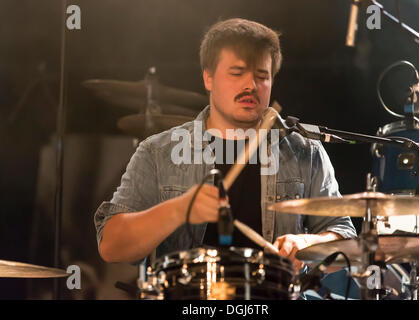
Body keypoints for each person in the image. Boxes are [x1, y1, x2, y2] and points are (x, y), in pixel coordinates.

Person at [94, 18, 356, 270]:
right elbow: (111, 247)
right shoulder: (158, 152)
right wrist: (178, 210)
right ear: (208, 78)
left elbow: (347, 242)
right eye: (237, 72)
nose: (250, 85)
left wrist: (308, 243)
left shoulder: (305, 152)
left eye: (262, 76)